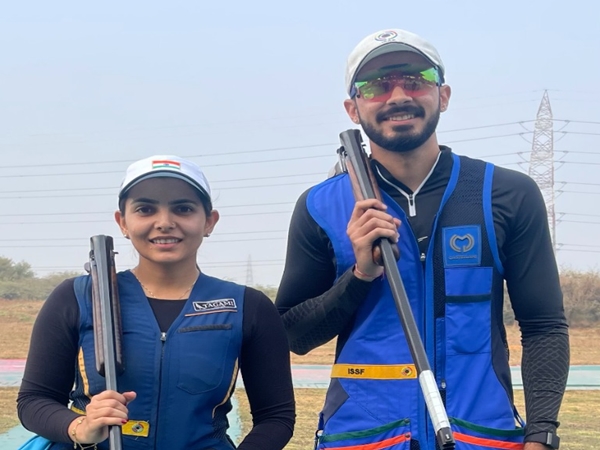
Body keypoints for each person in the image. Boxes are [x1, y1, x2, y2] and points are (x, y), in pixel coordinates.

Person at [275, 29, 569, 450]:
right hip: (363, 439)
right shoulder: (321, 206)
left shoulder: (505, 193)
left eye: (415, 79)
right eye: (376, 85)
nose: (397, 95)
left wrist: (541, 433)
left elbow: (543, 326)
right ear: (352, 108)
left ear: (443, 96)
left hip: (483, 437)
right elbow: (292, 335)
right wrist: (360, 274)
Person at [17, 155, 295, 450]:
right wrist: (79, 427)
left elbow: (275, 416)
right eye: (145, 209)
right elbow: (34, 400)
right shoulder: (77, 296)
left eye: (183, 208)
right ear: (123, 222)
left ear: (209, 221)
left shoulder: (248, 306)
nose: (164, 223)